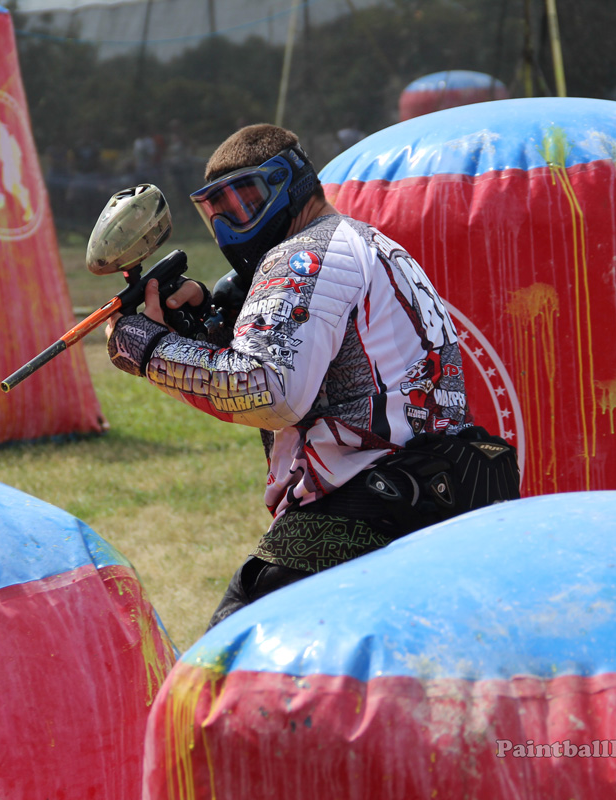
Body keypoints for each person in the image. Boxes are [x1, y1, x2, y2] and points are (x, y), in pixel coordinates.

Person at [105, 124, 517, 628]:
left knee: (227, 657)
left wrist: (149, 347)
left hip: (363, 508)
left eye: (246, 201)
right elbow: (327, 366)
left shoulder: (304, 254)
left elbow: (268, 391)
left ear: (291, 182)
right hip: (440, 493)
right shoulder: (370, 243)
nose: (232, 223)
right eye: (218, 211)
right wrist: (207, 333)